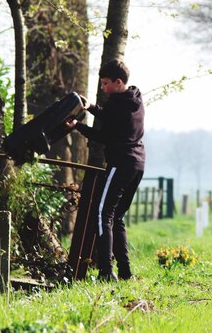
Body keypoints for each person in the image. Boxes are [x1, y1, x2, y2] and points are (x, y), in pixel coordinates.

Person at [66, 58, 145, 282]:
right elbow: (111, 116)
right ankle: (126, 271)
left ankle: (105, 271)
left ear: (118, 82)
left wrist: (78, 126)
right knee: (117, 216)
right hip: (138, 164)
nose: (103, 88)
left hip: (120, 163)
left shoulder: (116, 105)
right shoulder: (134, 98)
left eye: (105, 83)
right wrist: (90, 107)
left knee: (102, 214)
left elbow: (103, 136)